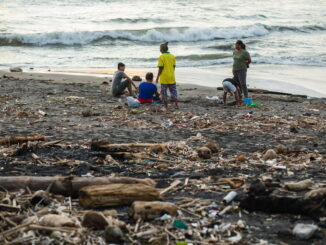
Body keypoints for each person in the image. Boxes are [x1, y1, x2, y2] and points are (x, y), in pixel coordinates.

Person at [155, 42, 178, 110]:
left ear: (161, 50)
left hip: (164, 77)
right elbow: (173, 67)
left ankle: (166, 107)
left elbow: (160, 68)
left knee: (164, 92)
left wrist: (157, 77)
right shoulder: (172, 56)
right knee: (173, 91)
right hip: (172, 76)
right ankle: (176, 105)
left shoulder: (161, 57)